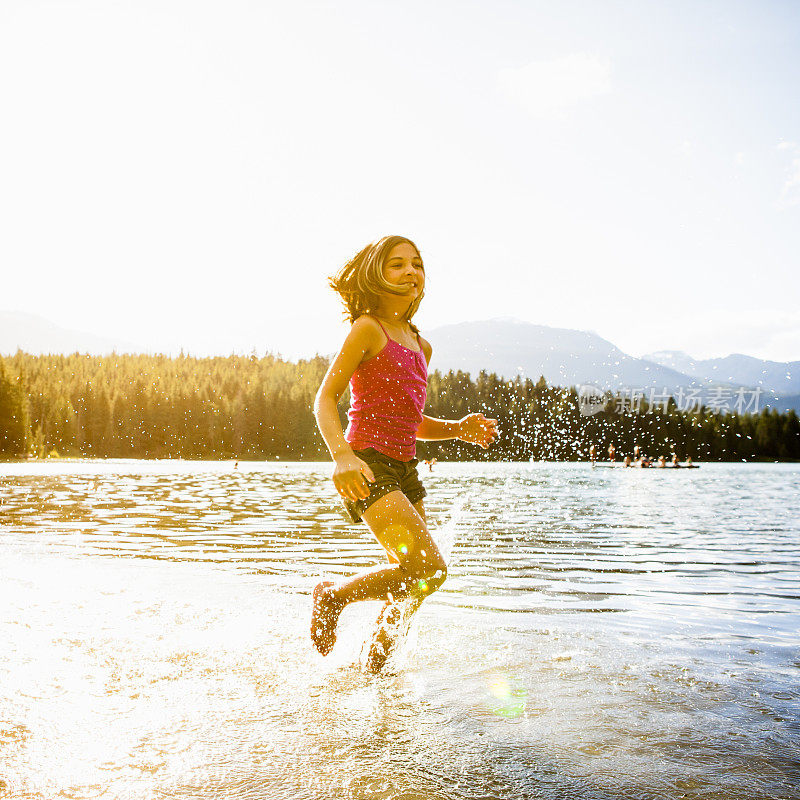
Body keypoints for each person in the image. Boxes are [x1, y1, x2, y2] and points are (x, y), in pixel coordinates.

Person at [312, 235, 498, 671]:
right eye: (398, 264)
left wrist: (459, 430)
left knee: (415, 584)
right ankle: (334, 595)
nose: (411, 271)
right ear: (376, 273)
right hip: (368, 465)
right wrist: (342, 457)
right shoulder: (367, 329)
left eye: (417, 264)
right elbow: (325, 398)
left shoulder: (420, 344)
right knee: (429, 569)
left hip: (405, 469)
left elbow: (410, 420)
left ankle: (372, 673)